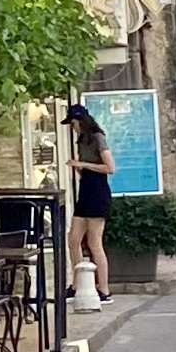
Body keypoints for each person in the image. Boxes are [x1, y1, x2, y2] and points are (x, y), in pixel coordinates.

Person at [68, 105, 114, 304]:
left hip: (97, 192)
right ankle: (77, 283)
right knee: (73, 239)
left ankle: (104, 288)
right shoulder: (81, 141)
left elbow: (110, 167)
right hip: (85, 190)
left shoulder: (98, 138)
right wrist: (79, 168)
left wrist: (83, 164)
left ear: (81, 122)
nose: (73, 128)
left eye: (74, 124)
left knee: (94, 242)